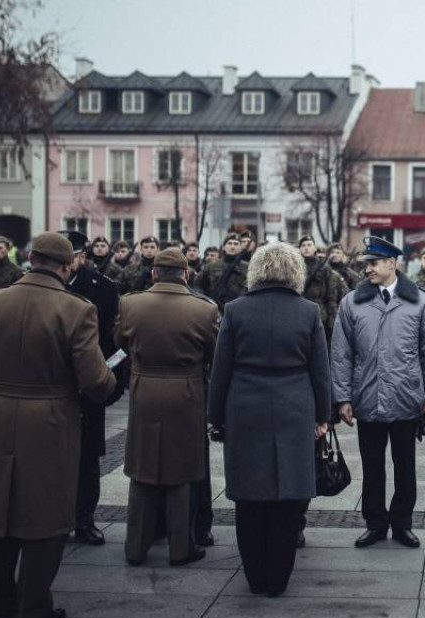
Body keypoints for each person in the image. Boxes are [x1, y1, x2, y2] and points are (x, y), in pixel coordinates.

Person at [0, 232, 115, 618]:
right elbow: (96, 381)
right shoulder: (75, 309)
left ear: (29, 258)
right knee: (46, 516)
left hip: (3, 414)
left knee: (3, 512)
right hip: (51, 419)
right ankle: (35, 609)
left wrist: (4, 386)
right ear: (66, 267)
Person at [208, 243, 330, 595]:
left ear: (256, 270)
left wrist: (214, 415)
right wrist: (323, 415)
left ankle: (255, 576)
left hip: (245, 408)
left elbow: (221, 371)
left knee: (248, 499)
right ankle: (277, 579)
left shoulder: (235, 310)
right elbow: (320, 372)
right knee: (288, 499)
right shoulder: (308, 312)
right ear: (295, 272)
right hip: (294, 407)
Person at [331, 236, 425, 549]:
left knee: (405, 467)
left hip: (407, 400)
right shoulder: (352, 302)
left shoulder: (420, 302)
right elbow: (340, 354)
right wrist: (342, 398)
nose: (367, 268)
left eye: (374, 262)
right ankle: (375, 524)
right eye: (366, 262)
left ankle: (403, 523)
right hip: (367, 399)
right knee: (372, 468)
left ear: (392, 263)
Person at [116, 248, 217, 566]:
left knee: (141, 469)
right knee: (182, 472)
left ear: (154, 273)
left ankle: (135, 547)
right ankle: (181, 547)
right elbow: (216, 352)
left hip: (144, 390)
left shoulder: (130, 303)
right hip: (186, 393)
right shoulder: (204, 309)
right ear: (186, 274)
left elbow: (120, 341)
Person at [59, 231, 121, 546]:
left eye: (72, 255)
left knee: (88, 459)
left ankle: (84, 520)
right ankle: (54, 520)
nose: (67, 262)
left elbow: (114, 341)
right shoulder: (47, 285)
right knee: (53, 459)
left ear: (83, 256)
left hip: (89, 387)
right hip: (55, 387)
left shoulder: (103, 287)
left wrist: (111, 383)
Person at [299, 235, 345, 345]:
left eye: (309, 245)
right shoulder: (295, 266)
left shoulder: (324, 268)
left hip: (320, 315)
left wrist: (332, 319)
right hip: (300, 313)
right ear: (299, 249)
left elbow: (331, 296)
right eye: (303, 245)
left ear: (315, 248)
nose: (306, 248)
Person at [193, 233, 248, 313]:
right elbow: (198, 283)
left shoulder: (248, 267)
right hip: (216, 309)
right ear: (224, 247)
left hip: (240, 309)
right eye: (229, 243)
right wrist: (205, 300)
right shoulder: (212, 266)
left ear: (240, 247)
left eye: (236, 244)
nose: (232, 246)